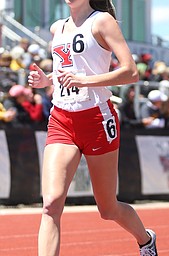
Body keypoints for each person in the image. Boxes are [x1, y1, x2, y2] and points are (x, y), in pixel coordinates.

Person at [27, 1, 157, 255]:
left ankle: (145, 239)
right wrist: (47, 80)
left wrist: (85, 81)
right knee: (51, 204)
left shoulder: (102, 22)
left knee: (107, 208)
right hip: (62, 118)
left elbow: (131, 72)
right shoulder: (57, 28)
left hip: (97, 118)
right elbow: (66, 69)